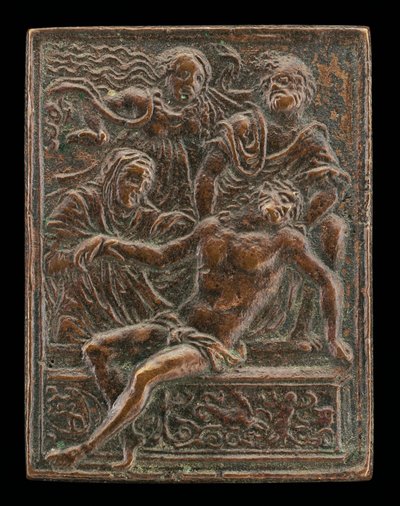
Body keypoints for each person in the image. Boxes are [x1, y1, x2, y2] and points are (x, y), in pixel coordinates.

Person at [46, 176, 352, 469]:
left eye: (291, 209)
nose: (285, 210)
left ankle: (84, 449)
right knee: (95, 349)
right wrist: (107, 243)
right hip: (177, 325)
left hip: (212, 343)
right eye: (282, 200)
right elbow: (161, 256)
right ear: (261, 195)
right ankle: (127, 430)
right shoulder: (212, 228)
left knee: (144, 374)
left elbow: (329, 281)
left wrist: (333, 337)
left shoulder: (284, 241)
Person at [195, 51, 351, 350]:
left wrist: (301, 222)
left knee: (334, 228)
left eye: (292, 82)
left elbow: (330, 189)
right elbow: (207, 175)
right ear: (265, 88)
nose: (282, 87)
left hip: (284, 216)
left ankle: (304, 328)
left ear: (305, 93)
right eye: (276, 81)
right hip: (237, 213)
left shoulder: (310, 138)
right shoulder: (244, 126)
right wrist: (207, 217)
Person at [45, 148, 194, 343]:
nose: (138, 188)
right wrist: (82, 254)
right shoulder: (81, 203)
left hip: (134, 304)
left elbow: (171, 229)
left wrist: (185, 223)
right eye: (132, 178)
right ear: (111, 176)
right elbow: (47, 260)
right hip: (83, 302)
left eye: (145, 183)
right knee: (100, 263)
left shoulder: (140, 216)